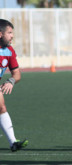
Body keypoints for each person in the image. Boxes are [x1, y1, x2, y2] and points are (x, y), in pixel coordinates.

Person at [0, 19, 28, 152]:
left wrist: (10, 81)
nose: (12, 36)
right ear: (0, 34)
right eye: (9, 32)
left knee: (1, 107)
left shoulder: (9, 51)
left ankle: (13, 143)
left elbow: (17, 74)